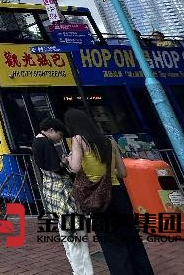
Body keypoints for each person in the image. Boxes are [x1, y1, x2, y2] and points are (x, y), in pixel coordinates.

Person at [63, 109, 154, 275]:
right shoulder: (109, 141)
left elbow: (75, 167)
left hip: (99, 197)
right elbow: (123, 173)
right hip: (118, 193)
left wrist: (68, 160)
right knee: (132, 238)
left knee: (112, 243)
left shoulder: (78, 139)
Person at [32, 118, 93, 275]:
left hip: (53, 194)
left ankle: (77, 270)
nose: (61, 138)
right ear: (51, 130)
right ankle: (84, 272)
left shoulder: (37, 141)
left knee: (68, 237)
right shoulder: (45, 143)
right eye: (59, 134)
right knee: (77, 238)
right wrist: (66, 161)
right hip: (63, 195)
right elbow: (55, 167)